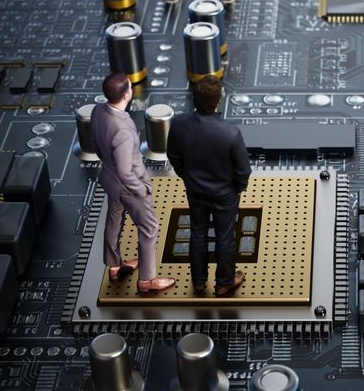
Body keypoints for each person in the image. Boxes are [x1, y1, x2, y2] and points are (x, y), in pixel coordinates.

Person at [90, 72, 175, 294]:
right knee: (149, 228)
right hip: (129, 186)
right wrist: (142, 189)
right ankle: (147, 281)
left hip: (109, 179)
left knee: (114, 219)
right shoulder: (123, 131)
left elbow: (97, 146)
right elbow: (126, 171)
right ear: (127, 93)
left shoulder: (98, 110)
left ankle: (115, 265)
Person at [167, 76, 251, 296]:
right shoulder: (230, 133)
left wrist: (186, 177)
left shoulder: (178, 123)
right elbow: (244, 170)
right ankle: (224, 282)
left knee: (198, 233)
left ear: (194, 99)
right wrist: (238, 188)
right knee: (224, 237)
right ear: (218, 101)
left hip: (195, 191)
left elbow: (173, 156)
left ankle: (198, 281)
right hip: (224, 194)